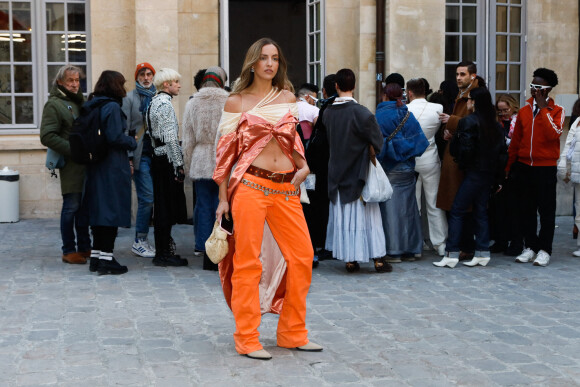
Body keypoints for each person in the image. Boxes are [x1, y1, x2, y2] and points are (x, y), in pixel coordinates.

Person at [213, 38, 321, 360]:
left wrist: (303, 167)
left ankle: (292, 333)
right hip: (250, 188)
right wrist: (222, 198)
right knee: (248, 263)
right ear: (253, 63)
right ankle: (247, 337)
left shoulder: (288, 98)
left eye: (274, 58)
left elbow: (293, 142)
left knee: (302, 256)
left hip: (285, 188)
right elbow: (224, 155)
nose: (270, 64)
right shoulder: (237, 102)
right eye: (263, 58)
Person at [324, 68, 388, 273]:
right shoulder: (362, 113)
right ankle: (378, 259)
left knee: (344, 217)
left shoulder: (327, 113)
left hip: (336, 169)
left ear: (336, 86)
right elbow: (378, 142)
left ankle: (350, 260)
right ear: (354, 85)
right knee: (368, 218)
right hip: (359, 171)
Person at [433, 87, 504, 268]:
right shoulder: (495, 124)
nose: (469, 102)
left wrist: (457, 146)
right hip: (487, 173)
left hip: (473, 172)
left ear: (475, 102)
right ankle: (482, 252)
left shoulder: (469, 122)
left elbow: (462, 150)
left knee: (457, 210)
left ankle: (451, 253)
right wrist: (498, 177)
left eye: (471, 99)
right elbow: (502, 153)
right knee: (480, 211)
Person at [506, 68, 564, 267]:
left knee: (546, 211)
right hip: (524, 166)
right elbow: (516, 141)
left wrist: (544, 109)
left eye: (538, 87)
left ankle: (544, 249)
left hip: (545, 167)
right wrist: (509, 166)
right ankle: (529, 246)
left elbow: (553, 135)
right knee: (526, 209)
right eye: (532, 86)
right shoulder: (523, 111)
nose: (534, 90)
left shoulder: (557, 111)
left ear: (547, 89)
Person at [84, 71, 137, 275]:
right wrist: (132, 141)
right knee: (111, 212)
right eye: (122, 84)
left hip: (95, 165)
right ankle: (106, 258)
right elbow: (115, 138)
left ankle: (96, 257)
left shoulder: (92, 104)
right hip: (111, 166)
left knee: (99, 212)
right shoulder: (112, 106)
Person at [40, 65, 91, 265]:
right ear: (60, 82)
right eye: (70, 80)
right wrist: (73, 150)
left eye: (77, 80)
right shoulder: (54, 104)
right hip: (71, 164)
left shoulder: (78, 102)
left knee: (83, 208)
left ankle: (85, 247)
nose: (75, 84)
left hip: (84, 163)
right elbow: (47, 136)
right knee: (71, 206)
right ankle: (68, 250)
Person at [182, 66, 229, 271]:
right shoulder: (228, 101)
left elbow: (188, 139)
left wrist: (187, 163)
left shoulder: (193, 103)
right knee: (222, 203)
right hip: (222, 157)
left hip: (200, 158)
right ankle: (220, 245)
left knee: (202, 204)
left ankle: (202, 245)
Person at [376, 82, 428, 263]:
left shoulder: (380, 115)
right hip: (408, 166)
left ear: (384, 95)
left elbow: (376, 143)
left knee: (391, 210)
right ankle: (412, 249)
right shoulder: (407, 113)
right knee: (410, 208)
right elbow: (419, 141)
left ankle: (394, 250)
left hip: (390, 167)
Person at [437, 61, 483, 260]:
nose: (458, 77)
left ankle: (466, 247)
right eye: (457, 74)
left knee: (463, 206)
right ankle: (464, 246)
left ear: (472, 75)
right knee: (458, 205)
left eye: (462, 74)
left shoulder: (475, 95)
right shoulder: (462, 94)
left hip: (465, 158)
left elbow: (478, 124)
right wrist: (449, 132)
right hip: (456, 154)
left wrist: (452, 122)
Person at [147, 68, 188, 267]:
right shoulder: (163, 104)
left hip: (159, 158)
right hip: (166, 161)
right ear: (166, 84)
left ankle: (163, 250)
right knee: (165, 207)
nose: (179, 85)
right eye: (176, 82)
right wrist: (179, 165)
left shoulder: (154, 102)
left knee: (162, 206)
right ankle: (163, 252)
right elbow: (170, 138)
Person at [406, 78, 447, 257]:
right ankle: (440, 243)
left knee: (413, 204)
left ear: (409, 93)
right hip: (430, 158)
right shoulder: (437, 108)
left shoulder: (405, 110)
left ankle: (415, 244)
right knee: (434, 203)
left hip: (411, 160)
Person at [122, 62, 157, 258]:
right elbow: (126, 130)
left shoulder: (158, 96)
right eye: (142, 74)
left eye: (149, 74)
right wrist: (128, 158)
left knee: (153, 198)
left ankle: (147, 238)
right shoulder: (129, 98)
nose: (146, 78)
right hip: (139, 155)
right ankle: (140, 240)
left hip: (156, 155)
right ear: (136, 77)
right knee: (147, 197)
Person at [304, 74, 336, 266]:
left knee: (317, 203)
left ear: (324, 91)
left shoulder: (325, 110)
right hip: (336, 163)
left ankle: (320, 242)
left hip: (319, 163)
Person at [489, 94, 522, 255]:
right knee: (499, 208)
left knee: (515, 208)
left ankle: (516, 242)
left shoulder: (519, 121)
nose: (503, 113)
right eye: (500, 110)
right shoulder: (497, 124)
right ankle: (501, 241)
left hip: (515, 169)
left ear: (513, 107)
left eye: (505, 110)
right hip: (499, 169)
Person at [295, 82, 319, 147]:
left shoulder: (289, 107)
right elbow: (318, 129)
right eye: (314, 100)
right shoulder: (314, 110)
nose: (314, 103)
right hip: (307, 146)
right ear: (308, 97)